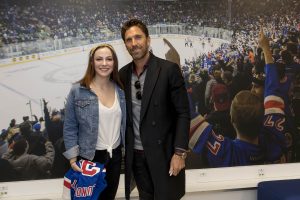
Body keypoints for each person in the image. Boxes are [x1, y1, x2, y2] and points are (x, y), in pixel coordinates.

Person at [189, 26, 288, 167]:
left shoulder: (226, 152)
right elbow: (273, 90)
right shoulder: (274, 134)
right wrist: (266, 48)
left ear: (232, 120)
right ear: (264, 118)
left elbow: (187, 116)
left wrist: (265, 48)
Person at [119, 19, 190, 200]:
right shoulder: (122, 74)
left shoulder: (168, 70)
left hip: (164, 155)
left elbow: (183, 113)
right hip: (137, 158)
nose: (134, 43)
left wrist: (179, 153)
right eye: (129, 39)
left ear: (148, 40)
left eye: (138, 37)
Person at [63, 44, 126, 200]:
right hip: (89, 158)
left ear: (114, 62)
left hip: (115, 157)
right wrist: (72, 158)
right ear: (92, 62)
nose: (104, 63)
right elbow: (70, 126)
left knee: (108, 197)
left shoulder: (120, 89)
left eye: (109, 59)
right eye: (99, 59)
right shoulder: (78, 90)